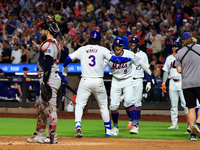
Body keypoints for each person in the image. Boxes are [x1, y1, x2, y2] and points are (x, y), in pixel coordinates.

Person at [62, 30, 133, 138]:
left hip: (85, 80)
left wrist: (64, 67)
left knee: (80, 105)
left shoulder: (83, 49)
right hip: (98, 81)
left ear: (89, 39)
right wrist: (128, 58)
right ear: (99, 40)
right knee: (103, 106)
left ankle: (78, 126)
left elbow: (68, 58)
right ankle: (108, 129)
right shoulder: (102, 49)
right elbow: (116, 60)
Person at [104, 37, 152, 136]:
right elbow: (100, 66)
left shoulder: (129, 54)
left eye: (119, 46)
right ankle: (115, 127)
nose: (117, 47)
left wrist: (149, 74)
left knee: (130, 101)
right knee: (113, 105)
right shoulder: (108, 55)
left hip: (127, 80)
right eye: (116, 46)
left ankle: (135, 126)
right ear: (113, 47)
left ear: (122, 47)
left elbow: (141, 63)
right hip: (116, 80)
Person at [27, 15, 61, 144]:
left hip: (49, 78)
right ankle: (40, 134)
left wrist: (45, 82)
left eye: (42, 29)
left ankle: (52, 137)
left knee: (50, 107)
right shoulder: (54, 43)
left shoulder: (48, 44)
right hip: (50, 77)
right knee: (41, 106)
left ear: (47, 30)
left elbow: (48, 63)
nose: (40, 31)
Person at [175, 32, 200, 141]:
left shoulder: (180, 52)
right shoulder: (199, 48)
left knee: (191, 107)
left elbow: (179, 70)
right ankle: (198, 123)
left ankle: (193, 135)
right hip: (199, 82)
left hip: (186, 84)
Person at [125, 36, 151, 134]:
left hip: (138, 80)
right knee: (127, 102)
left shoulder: (143, 55)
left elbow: (146, 68)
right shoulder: (126, 53)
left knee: (137, 103)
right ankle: (132, 119)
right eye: (131, 43)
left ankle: (136, 123)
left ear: (138, 44)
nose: (132, 45)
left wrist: (148, 82)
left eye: (134, 43)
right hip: (127, 79)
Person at [162, 41, 189, 131]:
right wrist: (163, 83)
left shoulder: (184, 57)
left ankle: (189, 124)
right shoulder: (169, 58)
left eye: (176, 47)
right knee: (173, 105)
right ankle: (174, 124)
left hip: (182, 81)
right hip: (172, 81)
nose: (174, 48)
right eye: (173, 47)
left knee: (185, 104)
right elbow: (166, 71)